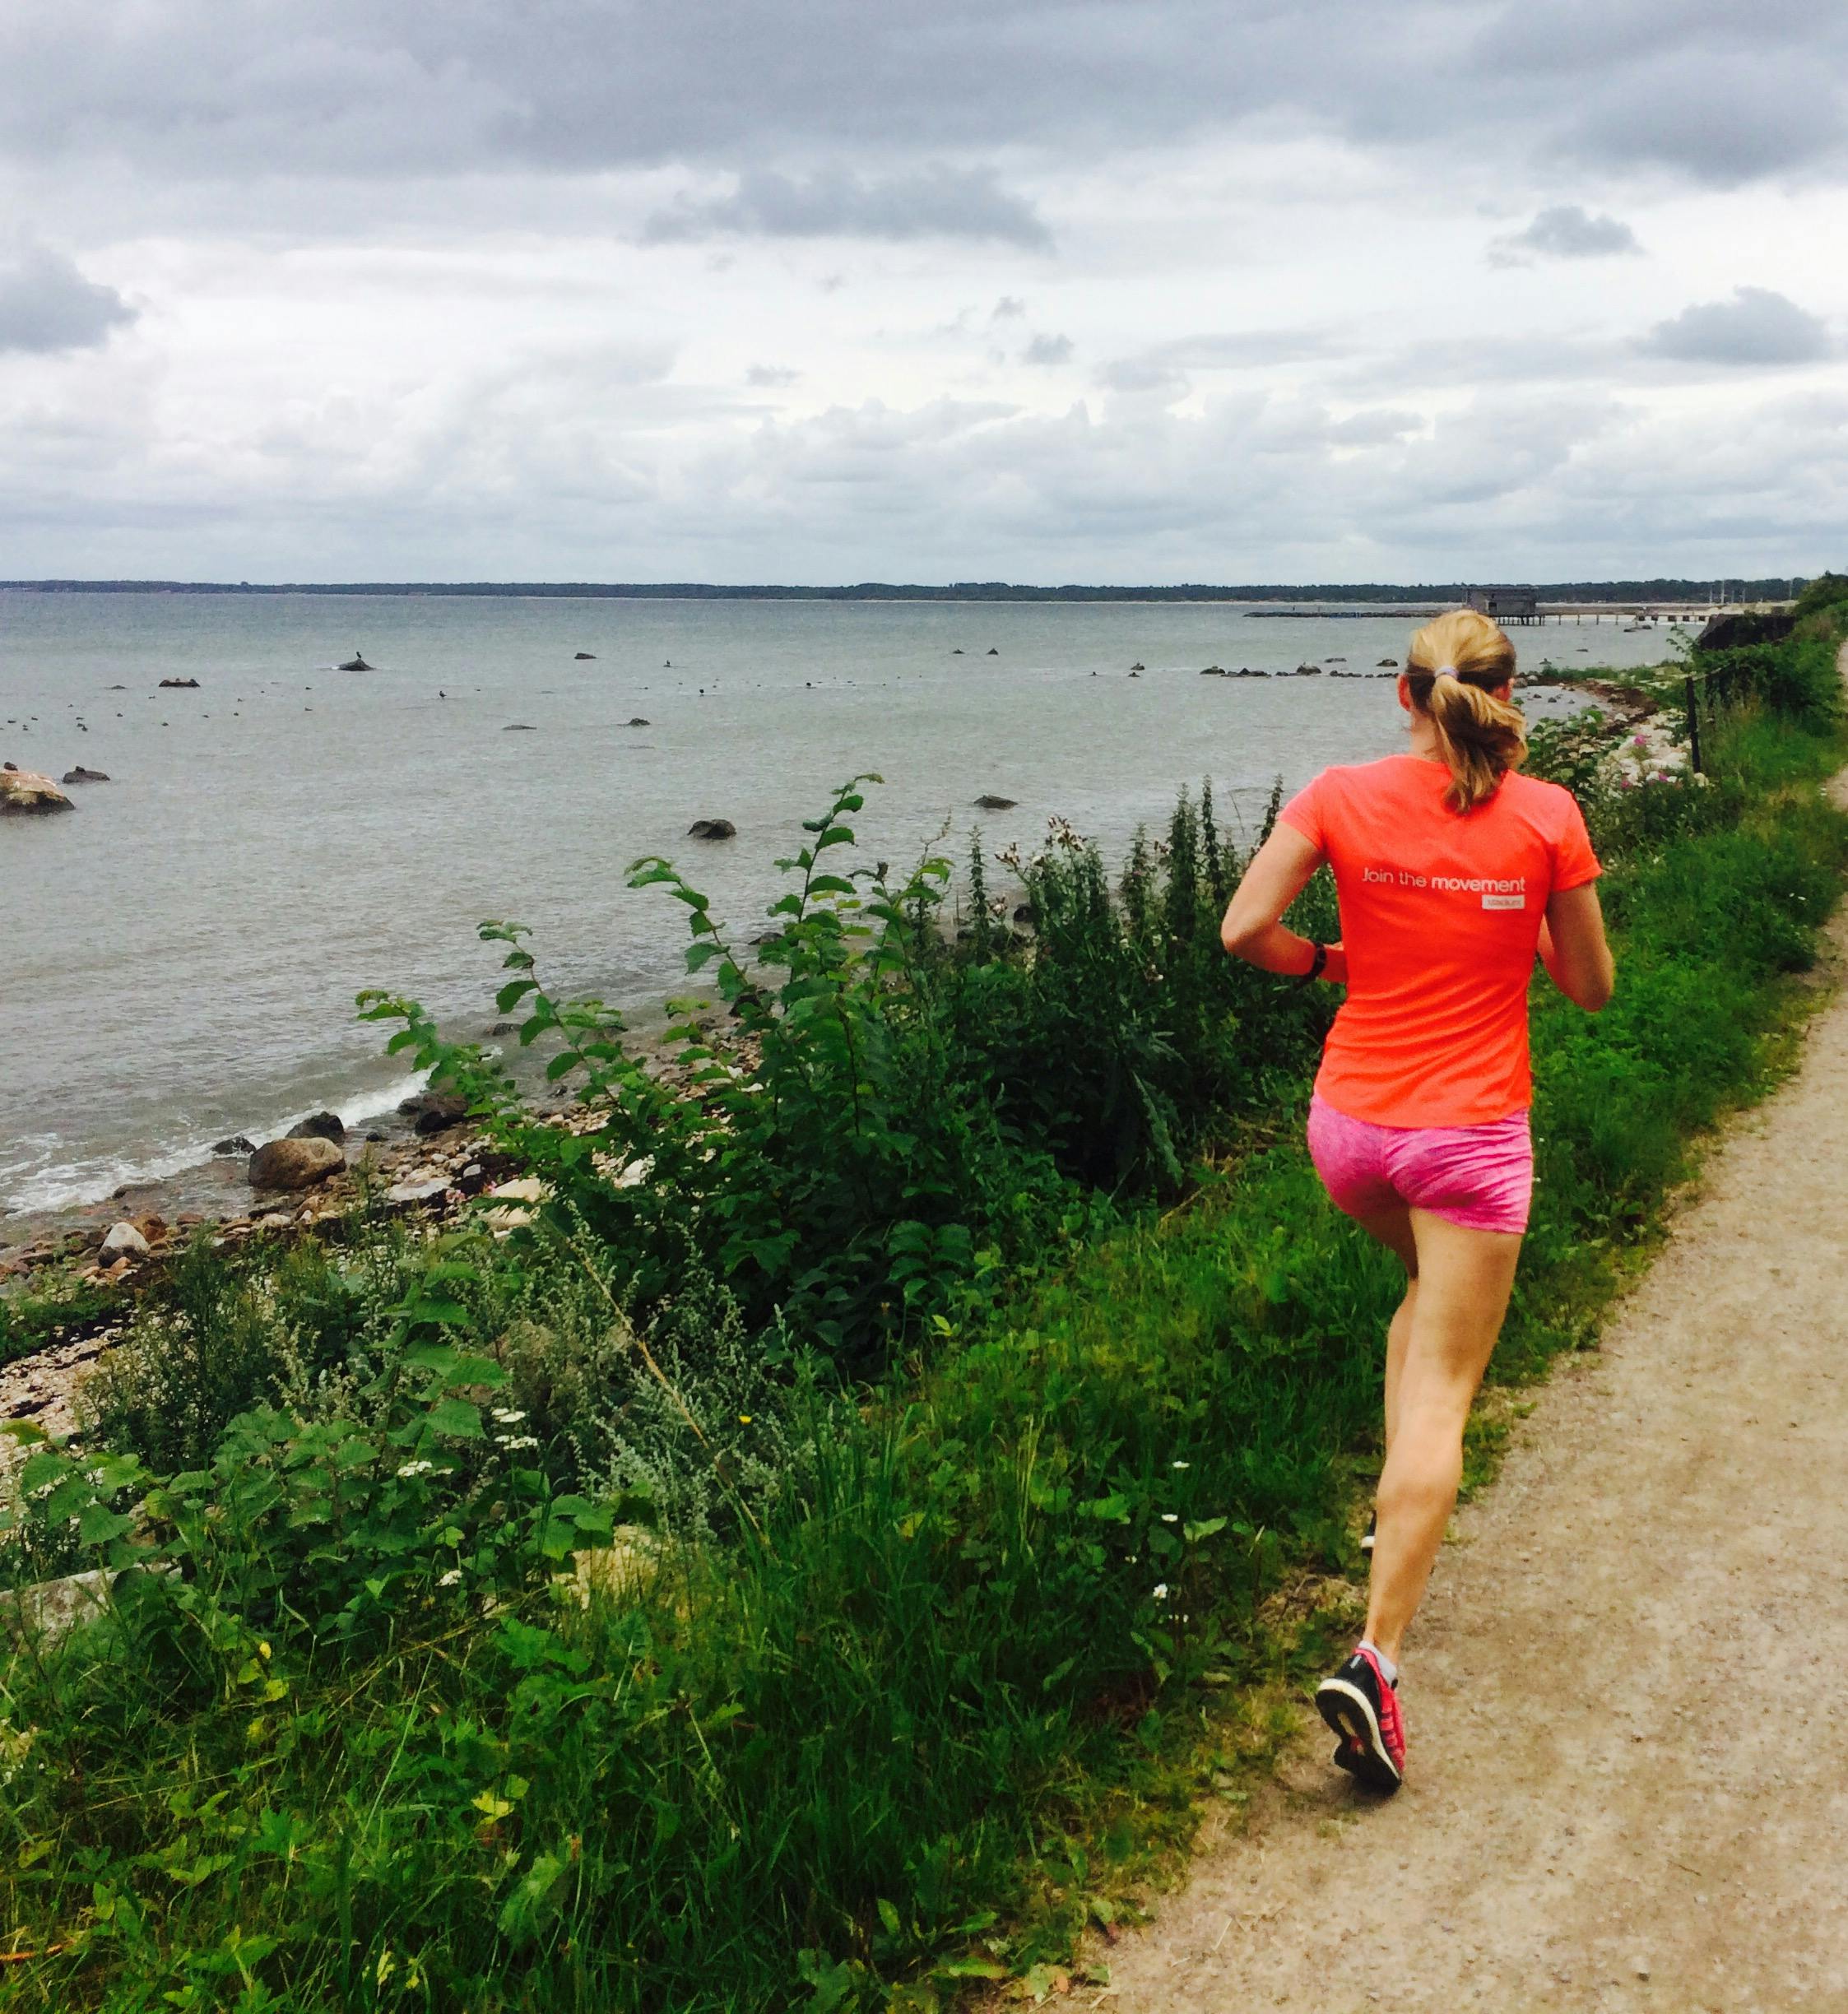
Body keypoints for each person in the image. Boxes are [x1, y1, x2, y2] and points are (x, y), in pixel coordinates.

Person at [1219, 608, 1614, 1794]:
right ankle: (1375, 1658)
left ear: (1404, 695)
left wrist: (1329, 963)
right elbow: (1589, 988)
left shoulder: (1336, 792)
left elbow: (1244, 929)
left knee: (1418, 1302)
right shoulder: (1547, 817)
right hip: (1467, 1144)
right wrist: (1519, 932)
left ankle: (1392, 1514)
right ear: (1504, 696)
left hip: (1347, 1132)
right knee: (1445, 1384)